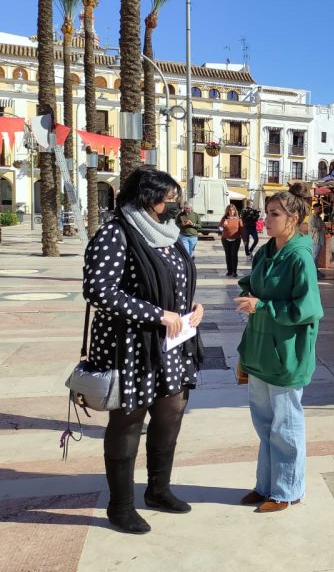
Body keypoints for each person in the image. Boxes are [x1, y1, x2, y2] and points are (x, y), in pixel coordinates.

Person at [82, 166, 204, 535]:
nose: (174, 207)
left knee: (171, 413)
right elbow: (99, 291)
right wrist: (157, 314)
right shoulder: (115, 233)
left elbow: (177, 280)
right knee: (128, 421)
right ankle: (120, 506)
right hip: (130, 347)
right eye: (169, 200)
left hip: (171, 344)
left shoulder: (168, 234)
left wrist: (191, 308)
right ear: (147, 199)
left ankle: (158, 490)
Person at [233, 182, 323, 513]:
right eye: (266, 213)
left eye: (274, 214)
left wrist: (263, 306)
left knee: (285, 426)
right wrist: (248, 293)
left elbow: (308, 309)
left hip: (286, 353)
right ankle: (266, 485)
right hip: (260, 350)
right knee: (265, 424)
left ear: (293, 219)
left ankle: (286, 490)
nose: (266, 220)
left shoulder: (300, 257)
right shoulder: (266, 251)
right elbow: (252, 281)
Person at [219, 203, 243, 277]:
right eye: (230, 210)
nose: (231, 212)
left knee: (234, 255)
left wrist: (245, 240)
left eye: (233, 210)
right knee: (228, 255)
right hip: (225, 239)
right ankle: (229, 271)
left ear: (235, 211)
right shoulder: (224, 218)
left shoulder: (238, 219)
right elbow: (220, 228)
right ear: (227, 211)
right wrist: (223, 225)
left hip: (236, 239)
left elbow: (242, 230)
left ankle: (234, 271)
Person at [307, 202, 325, 278]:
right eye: (319, 208)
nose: (321, 210)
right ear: (314, 208)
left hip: (320, 239)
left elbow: (322, 226)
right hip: (315, 240)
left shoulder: (319, 218)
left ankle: (316, 271)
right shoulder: (312, 218)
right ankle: (313, 273)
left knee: (316, 257)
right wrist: (319, 229)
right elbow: (311, 228)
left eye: (321, 208)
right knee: (314, 257)